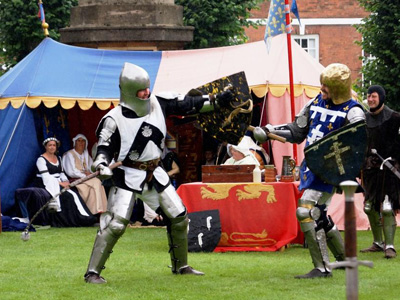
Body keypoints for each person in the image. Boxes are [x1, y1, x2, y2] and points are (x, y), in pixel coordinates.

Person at [84, 62, 234, 284]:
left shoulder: (158, 103)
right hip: (127, 175)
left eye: (148, 87)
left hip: (155, 172)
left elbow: (187, 104)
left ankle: (181, 266)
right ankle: (92, 273)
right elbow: (103, 149)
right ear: (128, 91)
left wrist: (216, 101)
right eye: (142, 90)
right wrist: (101, 164)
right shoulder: (112, 120)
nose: (147, 92)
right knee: (115, 224)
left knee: (179, 217)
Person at [253, 63, 366, 278]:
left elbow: (359, 142)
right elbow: (297, 131)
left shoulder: (353, 111)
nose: (322, 89)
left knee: (305, 211)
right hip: (312, 167)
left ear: (338, 89)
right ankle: (345, 260)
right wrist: (270, 131)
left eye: (327, 86)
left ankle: (322, 267)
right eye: (322, 85)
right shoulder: (315, 102)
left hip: (331, 169)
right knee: (319, 214)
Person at [360, 85, 400, 259]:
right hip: (370, 170)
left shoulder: (394, 118)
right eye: (368, 96)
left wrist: (397, 162)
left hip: (390, 170)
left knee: (386, 207)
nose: (370, 99)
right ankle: (378, 243)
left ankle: (389, 246)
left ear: (381, 98)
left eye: (374, 96)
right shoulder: (363, 119)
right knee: (369, 207)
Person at [32, 137, 97, 227]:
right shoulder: (41, 160)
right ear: (46, 147)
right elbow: (46, 177)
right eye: (50, 145)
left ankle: (84, 218)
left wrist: (66, 182)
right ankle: (71, 221)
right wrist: (60, 183)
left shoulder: (58, 158)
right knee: (68, 196)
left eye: (54, 145)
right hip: (46, 183)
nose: (52, 147)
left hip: (58, 182)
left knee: (74, 194)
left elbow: (61, 173)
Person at [62, 134, 108, 215]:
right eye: (78, 141)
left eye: (83, 141)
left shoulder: (86, 155)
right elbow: (71, 172)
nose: (81, 143)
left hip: (87, 180)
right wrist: (85, 176)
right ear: (75, 143)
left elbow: (91, 168)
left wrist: (90, 173)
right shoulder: (69, 154)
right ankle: (100, 209)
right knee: (97, 182)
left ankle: (92, 212)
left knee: (92, 189)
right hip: (76, 179)